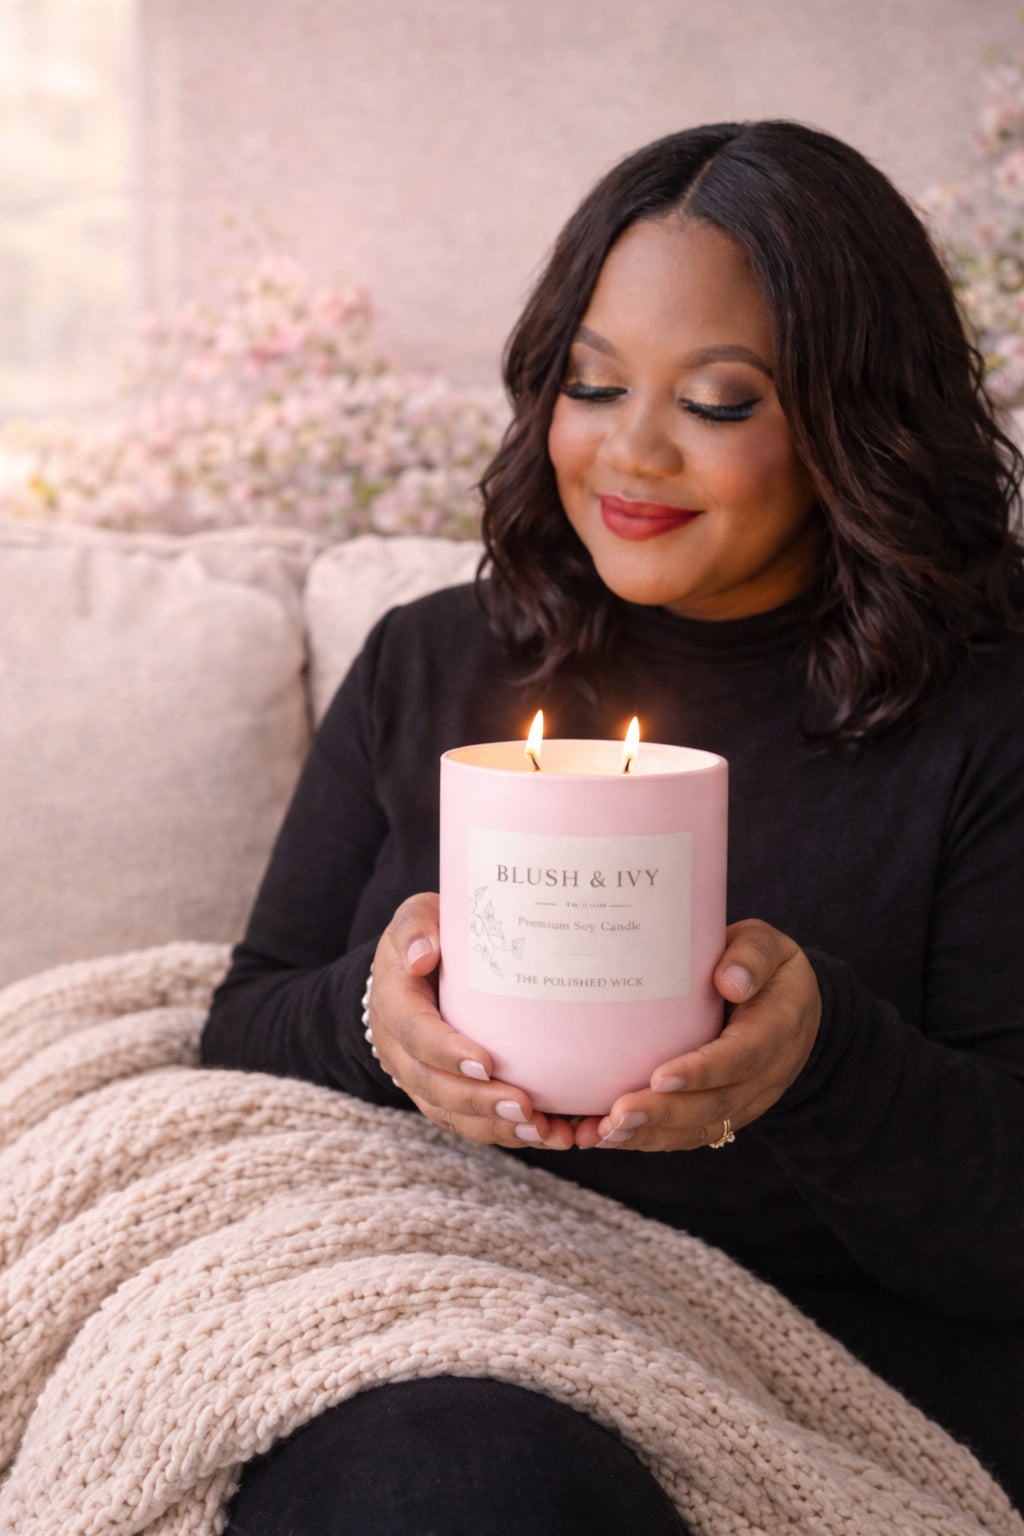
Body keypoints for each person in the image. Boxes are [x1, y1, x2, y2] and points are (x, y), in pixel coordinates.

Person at [202, 120, 1024, 1532]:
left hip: (815, 1370)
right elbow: (242, 1034)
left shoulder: (987, 713)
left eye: (716, 401)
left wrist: (820, 1065)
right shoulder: (427, 663)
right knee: (439, 1465)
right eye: (591, 383)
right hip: (432, 1323)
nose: (630, 451)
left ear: (853, 419)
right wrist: (372, 1024)